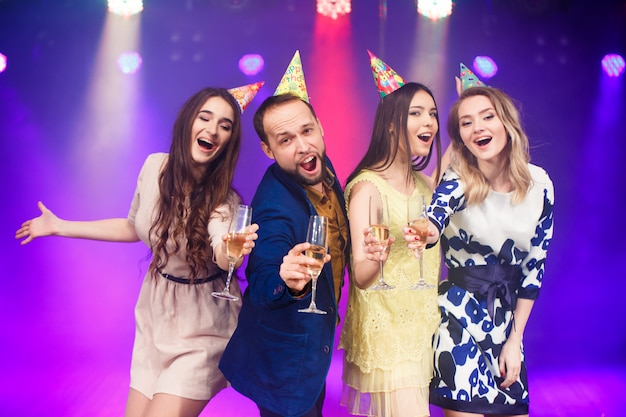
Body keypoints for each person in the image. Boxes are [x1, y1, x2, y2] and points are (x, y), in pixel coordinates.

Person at [14, 84, 263, 417]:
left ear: (229, 141)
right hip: (156, 313)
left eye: (225, 125)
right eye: (205, 118)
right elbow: (133, 226)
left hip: (204, 323)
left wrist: (232, 249)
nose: (213, 130)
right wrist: (61, 226)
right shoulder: (154, 168)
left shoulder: (224, 201)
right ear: (188, 122)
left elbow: (222, 246)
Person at [406, 83, 555, 416]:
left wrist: (515, 340)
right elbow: (436, 215)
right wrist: (427, 231)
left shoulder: (540, 185)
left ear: (507, 123)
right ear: (460, 137)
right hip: (458, 317)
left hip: (505, 323)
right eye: (467, 122)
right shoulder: (458, 179)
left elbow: (534, 271)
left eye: (487, 116)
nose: (478, 127)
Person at [219, 51, 350, 417]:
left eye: (307, 131)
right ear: (268, 149)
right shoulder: (275, 204)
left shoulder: (320, 168)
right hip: (284, 364)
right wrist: (285, 279)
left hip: (314, 344)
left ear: (319, 127)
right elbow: (260, 280)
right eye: (286, 140)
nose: (303, 146)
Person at [339, 51, 444, 417]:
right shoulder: (368, 188)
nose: (428, 120)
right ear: (390, 124)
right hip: (389, 338)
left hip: (425, 330)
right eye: (415, 112)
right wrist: (375, 255)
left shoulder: (428, 187)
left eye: (431, 113)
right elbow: (363, 279)